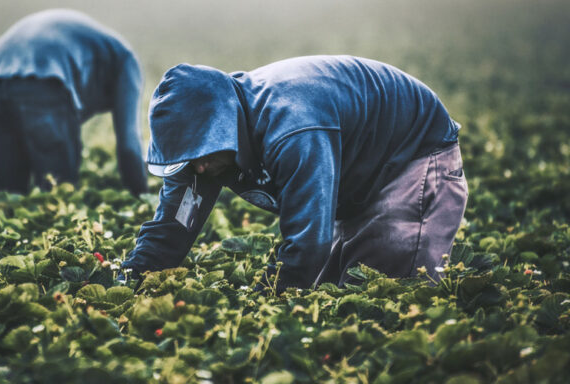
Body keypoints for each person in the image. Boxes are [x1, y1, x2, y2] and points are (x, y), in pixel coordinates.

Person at [121, 55, 468, 291]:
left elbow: (308, 241)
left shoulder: (292, 127)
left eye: (202, 153)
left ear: (224, 127)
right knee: (339, 289)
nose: (197, 168)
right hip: (354, 171)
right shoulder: (203, 156)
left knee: (390, 290)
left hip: (413, 155)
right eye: (187, 158)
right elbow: (172, 227)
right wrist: (129, 281)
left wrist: (264, 299)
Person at [0, 9, 147, 198]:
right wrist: (141, 195)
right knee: (56, 195)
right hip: (46, 76)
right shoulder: (128, 62)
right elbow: (129, 145)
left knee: (3, 198)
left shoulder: (102, 50)